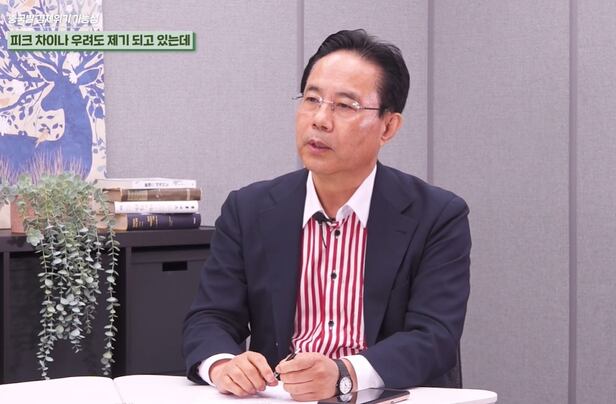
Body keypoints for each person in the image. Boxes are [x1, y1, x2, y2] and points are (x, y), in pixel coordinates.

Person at [183, 29, 471, 402]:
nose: (320, 119)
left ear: (388, 126)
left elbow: (434, 337)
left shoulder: (437, 215)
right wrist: (223, 364)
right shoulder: (249, 209)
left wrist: (344, 375)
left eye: (345, 106)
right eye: (312, 99)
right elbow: (210, 318)